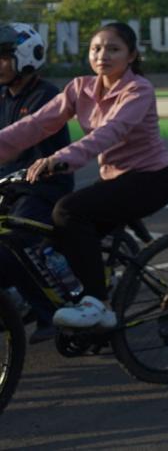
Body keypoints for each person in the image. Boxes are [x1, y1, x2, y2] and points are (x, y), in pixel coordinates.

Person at [0, 22, 168, 329]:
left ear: (131, 55)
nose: (102, 55)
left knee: (68, 211)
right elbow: (37, 124)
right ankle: (78, 302)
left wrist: (60, 158)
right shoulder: (80, 87)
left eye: (113, 49)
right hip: (115, 179)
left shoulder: (138, 90)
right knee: (59, 239)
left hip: (152, 179)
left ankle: (98, 305)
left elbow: (111, 131)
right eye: (96, 49)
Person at [0, 23, 72, 341]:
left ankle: (48, 313)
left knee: (13, 242)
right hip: (8, 186)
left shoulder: (47, 96)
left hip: (43, 187)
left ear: (28, 56)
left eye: (4, 57)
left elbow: (22, 141)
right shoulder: (2, 96)